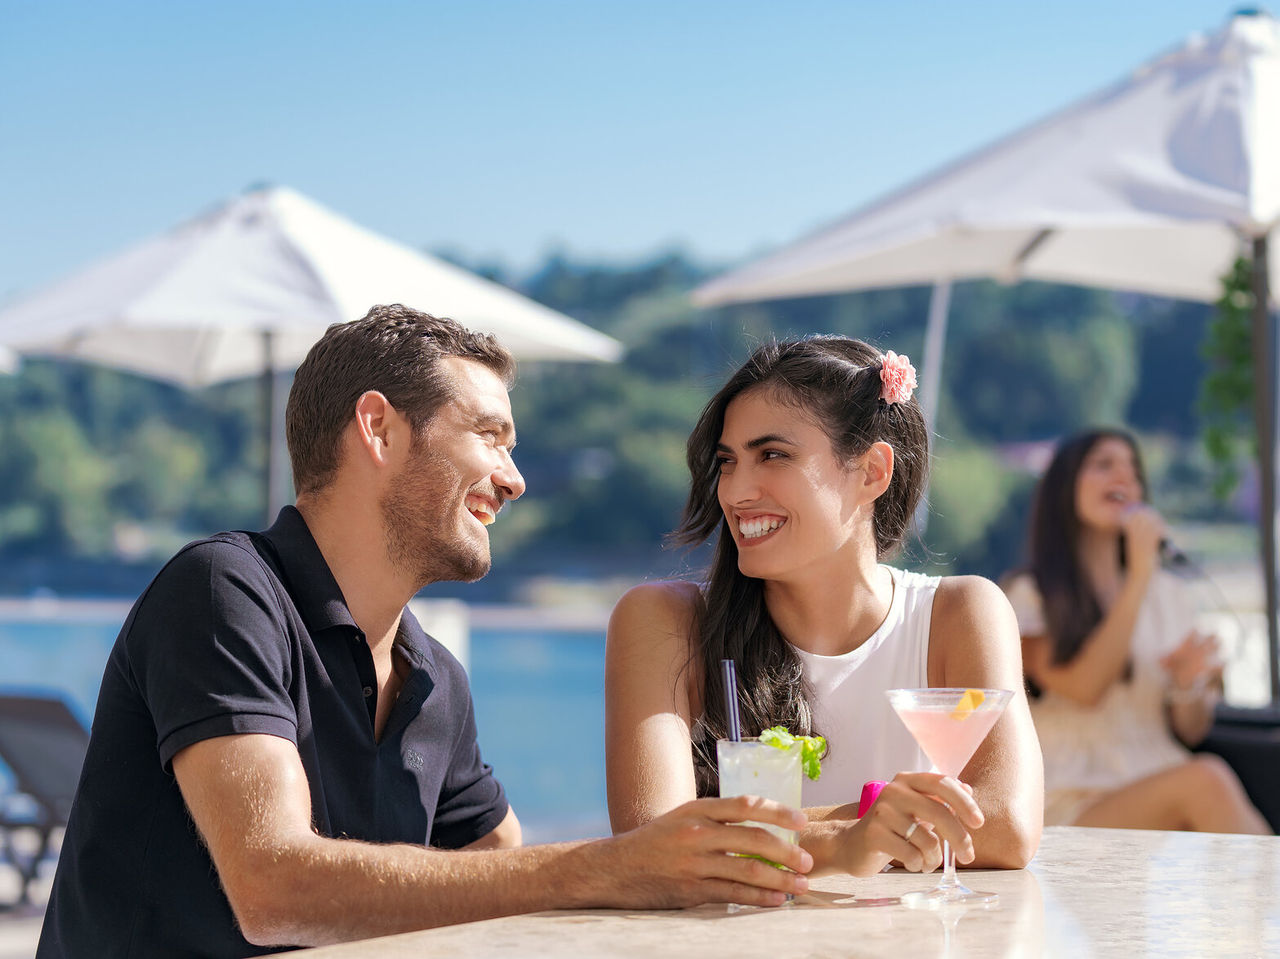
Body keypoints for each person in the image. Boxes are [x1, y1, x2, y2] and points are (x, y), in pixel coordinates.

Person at [37, 305, 813, 959]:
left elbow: (502, 867)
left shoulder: (434, 676)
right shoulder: (223, 590)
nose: (515, 478)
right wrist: (607, 866)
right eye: (490, 434)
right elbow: (273, 887)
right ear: (377, 428)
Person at [606, 336, 1043, 879]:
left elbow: (1008, 825)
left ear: (871, 472)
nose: (736, 491)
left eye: (772, 455)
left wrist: (756, 833)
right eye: (727, 462)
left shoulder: (960, 614)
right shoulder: (663, 622)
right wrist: (846, 840)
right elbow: (651, 841)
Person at [1002, 428, 1271, 833]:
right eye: (1104, 464)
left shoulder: (1171, 595)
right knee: (1207, 779)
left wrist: (1187, 685)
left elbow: (1191, 729)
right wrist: (1140, 577)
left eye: (1133, 470)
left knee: (1205, 781)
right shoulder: (1031, 595)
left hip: (1162, 781)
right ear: (1065, 486)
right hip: (1076, 799)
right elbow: (1084, 688)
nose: (1124, 478)